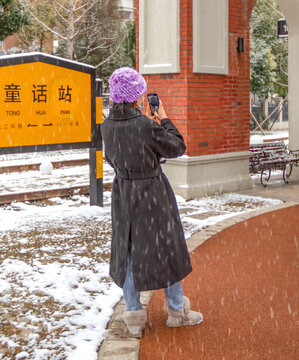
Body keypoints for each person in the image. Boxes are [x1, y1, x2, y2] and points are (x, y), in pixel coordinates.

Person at [101, 67, 203, 338]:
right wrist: (164, 119)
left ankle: (133, 315)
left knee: (129, 250)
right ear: (138, 96)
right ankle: (177, 311)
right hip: (153, 193)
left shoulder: (107, 126)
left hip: (124, 193)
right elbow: (177, 147)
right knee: (167, 247)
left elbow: (112, 158)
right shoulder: (146, 125)